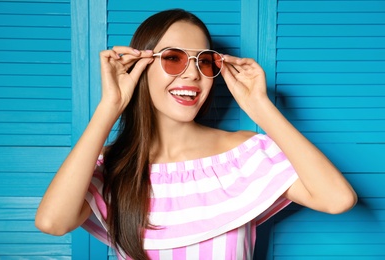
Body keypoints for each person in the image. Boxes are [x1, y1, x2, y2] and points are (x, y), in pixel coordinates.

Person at [35, 9, 357, 260]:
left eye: (204, 62)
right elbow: (53, 222)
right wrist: (110, 106)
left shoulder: (244, 154)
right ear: (140, 67)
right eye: (173, 59)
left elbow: (337, 198)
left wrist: (260, 108)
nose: (192, 73)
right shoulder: (113, 165)